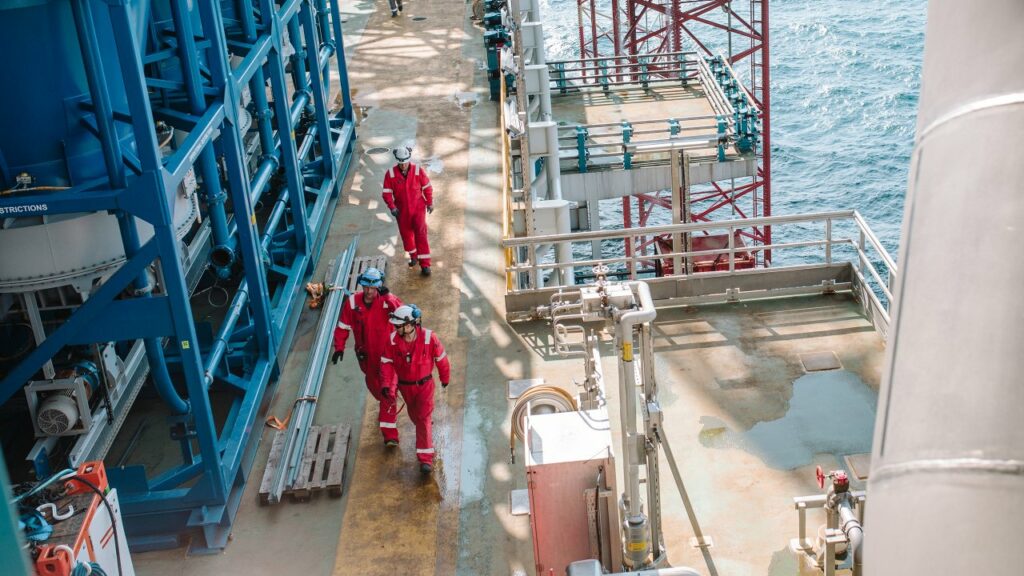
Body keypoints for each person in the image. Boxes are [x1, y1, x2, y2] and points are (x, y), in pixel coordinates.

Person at [332, 268, 403, 447]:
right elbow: (343, 326)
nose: (369, 292)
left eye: (373, 288)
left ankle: (390, 436)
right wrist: (339, 347)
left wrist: (389, 298)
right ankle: (388, 399)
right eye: (366, 287)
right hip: (366, 358)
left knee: (387, 391)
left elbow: (403, 314)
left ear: (379, 287)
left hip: (388, 357)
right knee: (375, 388)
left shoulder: (387, 302)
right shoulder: (353, 302)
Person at [379, 304, 450, 474]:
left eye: (399, 326)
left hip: (425, 386)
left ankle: (425, 459)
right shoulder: (392, 341)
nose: (396, 329)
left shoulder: (429, 338)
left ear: (410, 325)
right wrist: (386, 385)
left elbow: (441, 359)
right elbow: (387, 364)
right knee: (415, 417)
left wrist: (444, 378)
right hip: (406, 387)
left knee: (424, 418)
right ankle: (424, 441)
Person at [382, 146, 435, 277]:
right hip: (402, 211)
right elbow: (386, 193)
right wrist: (392, 207)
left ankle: (425, 264)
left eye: (405, 162)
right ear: (397, 161)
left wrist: (429, 202)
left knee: (421, 235)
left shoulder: (418, 171)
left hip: (418, 209)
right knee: (407, 236)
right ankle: (413, 256)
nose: (404, 165)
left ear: (409, 159)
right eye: (401, 163)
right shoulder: (391, 174)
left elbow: (427, 187)